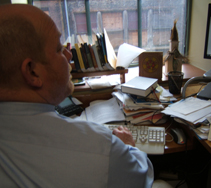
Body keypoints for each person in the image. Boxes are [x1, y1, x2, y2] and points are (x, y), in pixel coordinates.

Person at [0, 4, 154, 188]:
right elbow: (140, 179)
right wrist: (128, 146)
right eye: (58, 49)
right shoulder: (103, 150)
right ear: (33, 72)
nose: (69, 55)